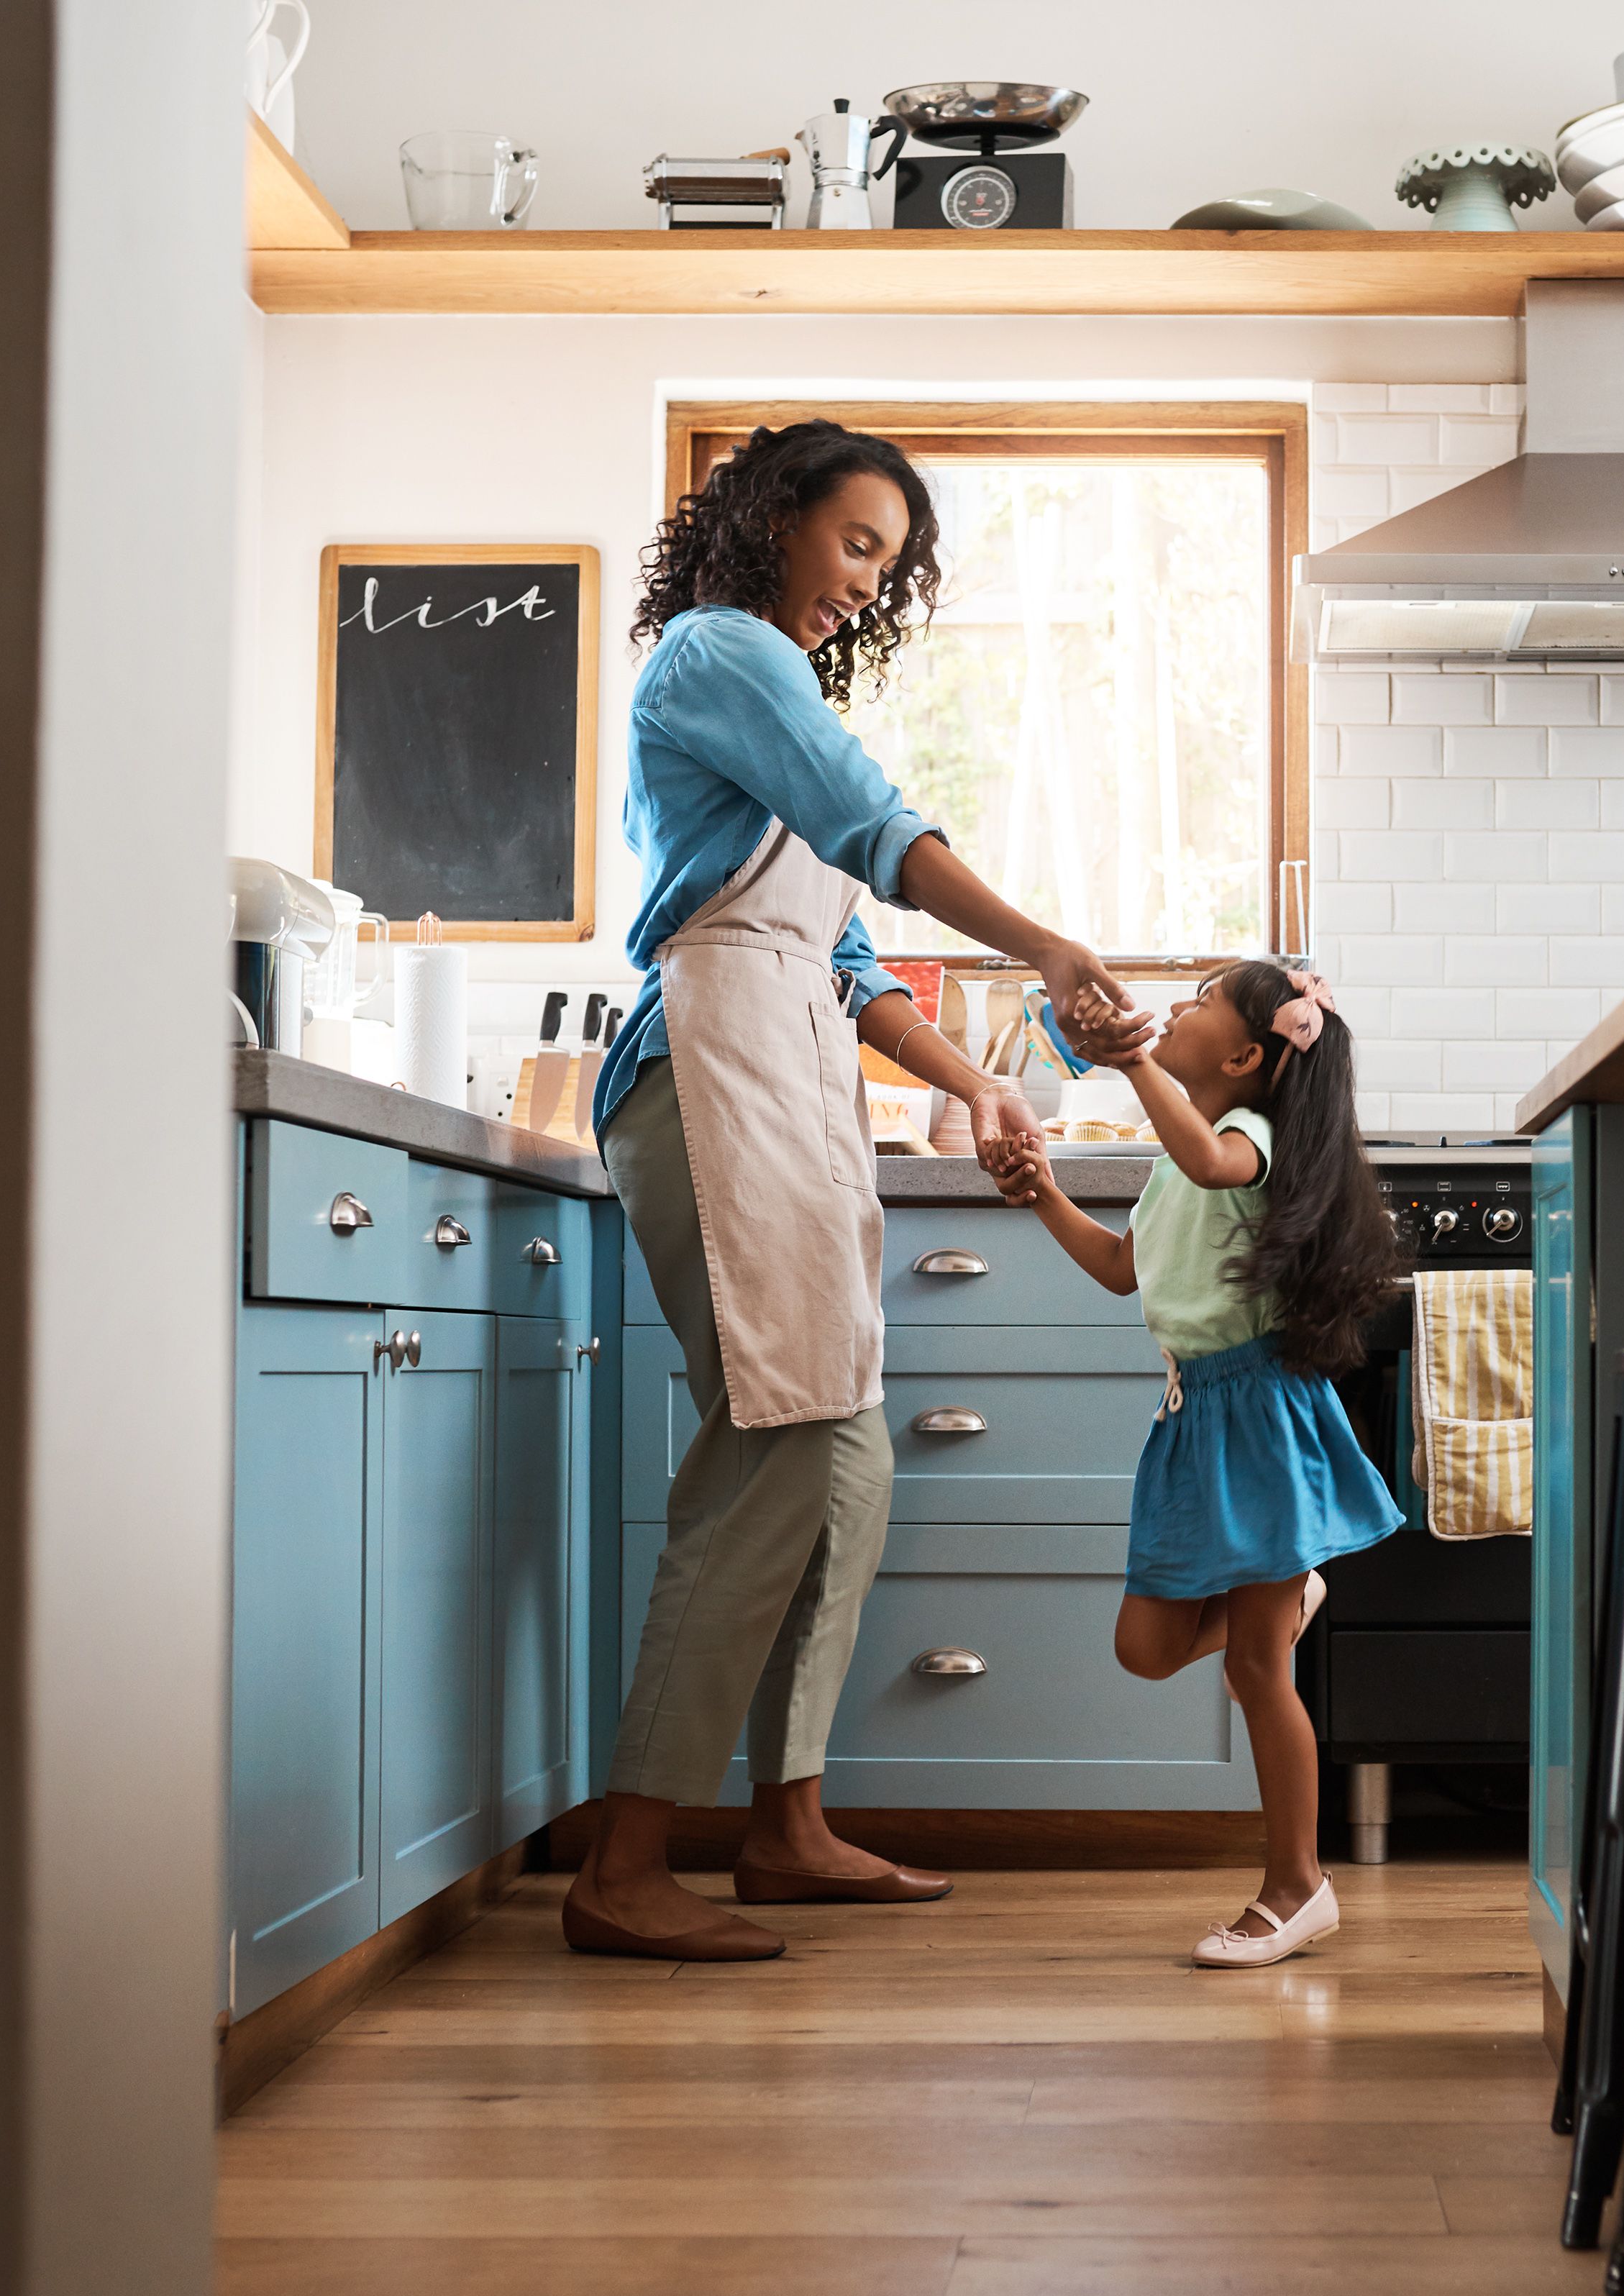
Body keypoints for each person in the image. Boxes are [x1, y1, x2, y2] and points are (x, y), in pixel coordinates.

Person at [564, 419, 1132, 1963]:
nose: (862, 586)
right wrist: (1047, 949)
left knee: (845, 1457)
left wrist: (978, 1082)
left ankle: (786, 1824)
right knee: (777, 1443)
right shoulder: (715, 652)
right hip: (710, 1059)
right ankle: (622, 1863)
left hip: (790, 1054)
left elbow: (853, 959)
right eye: (854, 546)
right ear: (773, 520)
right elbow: (872, 823)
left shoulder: (777, 684)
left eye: (888, 566)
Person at [988, 962, 1405, 1966]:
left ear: (1244, 1057)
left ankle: (1297, 1886)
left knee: (1260, 1669)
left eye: (1204, 999)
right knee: (1147, 1643)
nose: (1178, 1005)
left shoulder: (1243, 1141)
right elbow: (1120, 1267)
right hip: (1194, 1415)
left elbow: (1218, 1164)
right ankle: (1294, 1585)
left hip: (1258, 1411)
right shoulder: (1177, 1157)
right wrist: (1038, 1189)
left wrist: (1133, 1064)